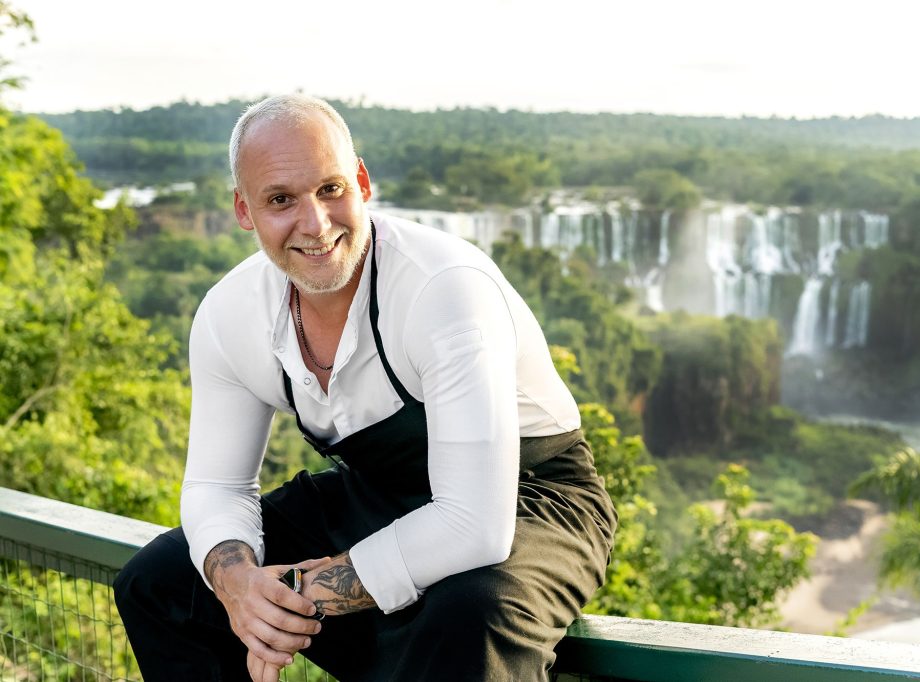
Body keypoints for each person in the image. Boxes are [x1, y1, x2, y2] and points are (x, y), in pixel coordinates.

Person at [113, 94, 616, 682]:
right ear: (244, 210)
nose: (315, 223)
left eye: (330, 189)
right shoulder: (229, 314)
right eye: (281, 200)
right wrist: (240, 588)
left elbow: (475, 523)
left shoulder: (444, 288)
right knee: (162, 582)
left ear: (362, 182)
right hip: (379, 491)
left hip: (531, 498)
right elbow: (216, 486)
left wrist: (293, 597)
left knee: (470, 614)